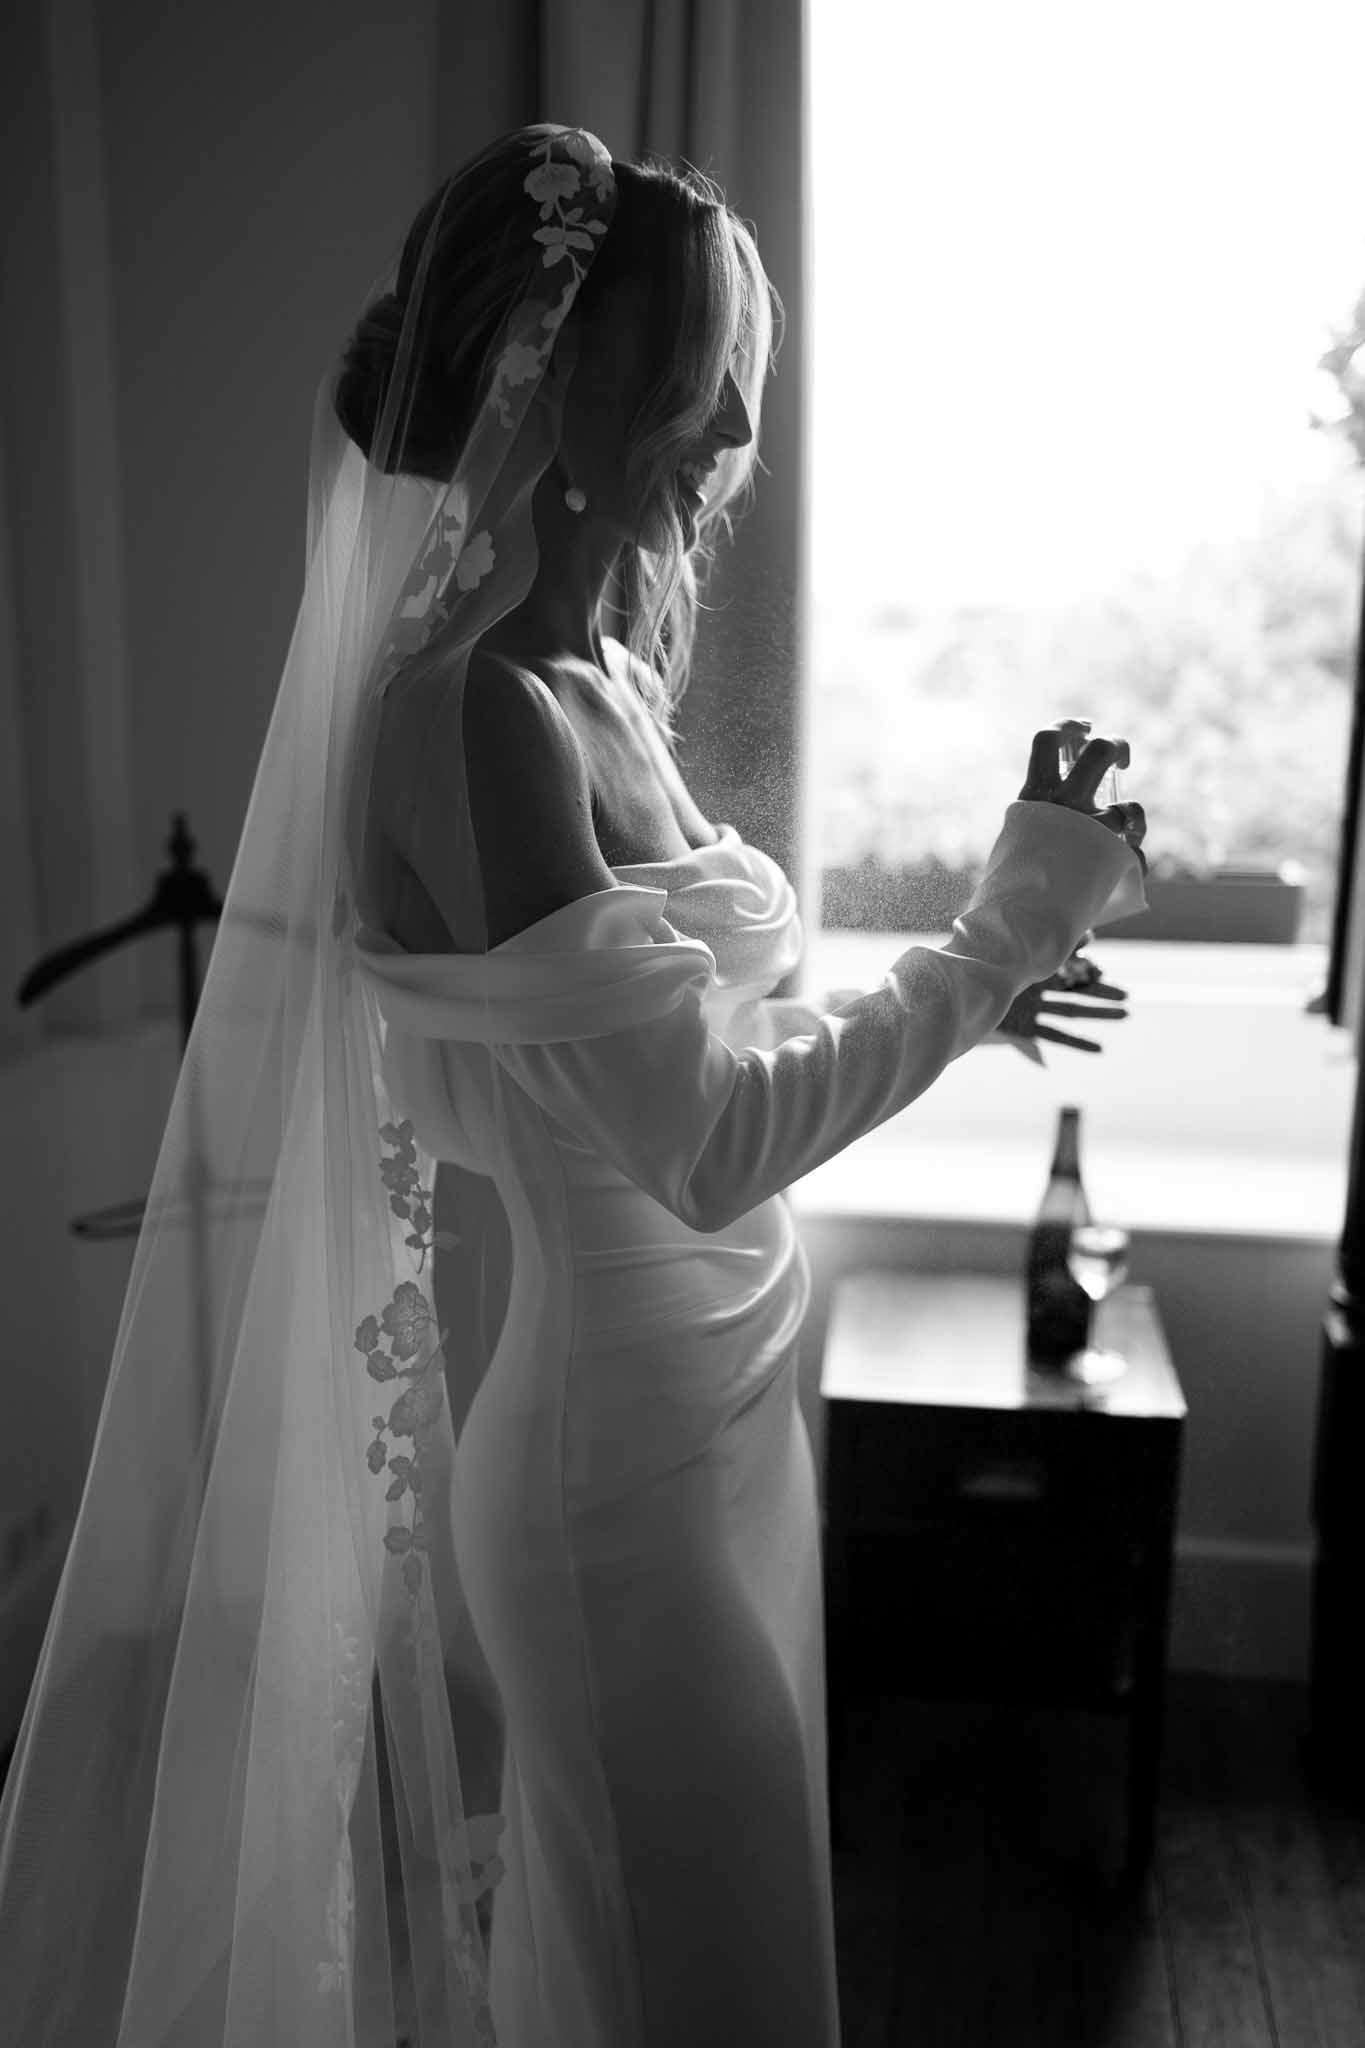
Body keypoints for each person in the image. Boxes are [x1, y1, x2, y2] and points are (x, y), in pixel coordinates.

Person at [0, 123, 1147, 2048]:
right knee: (687, 1979)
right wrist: (1001, 925)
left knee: (703, 1950)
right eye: (696, 389)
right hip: (612, 1487)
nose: (724, 441)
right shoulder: (472, 719)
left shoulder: (598, 673)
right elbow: (696, 1149)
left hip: (713, 1429)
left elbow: (684, 1051)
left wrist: (977, 992)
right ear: (571, 384)